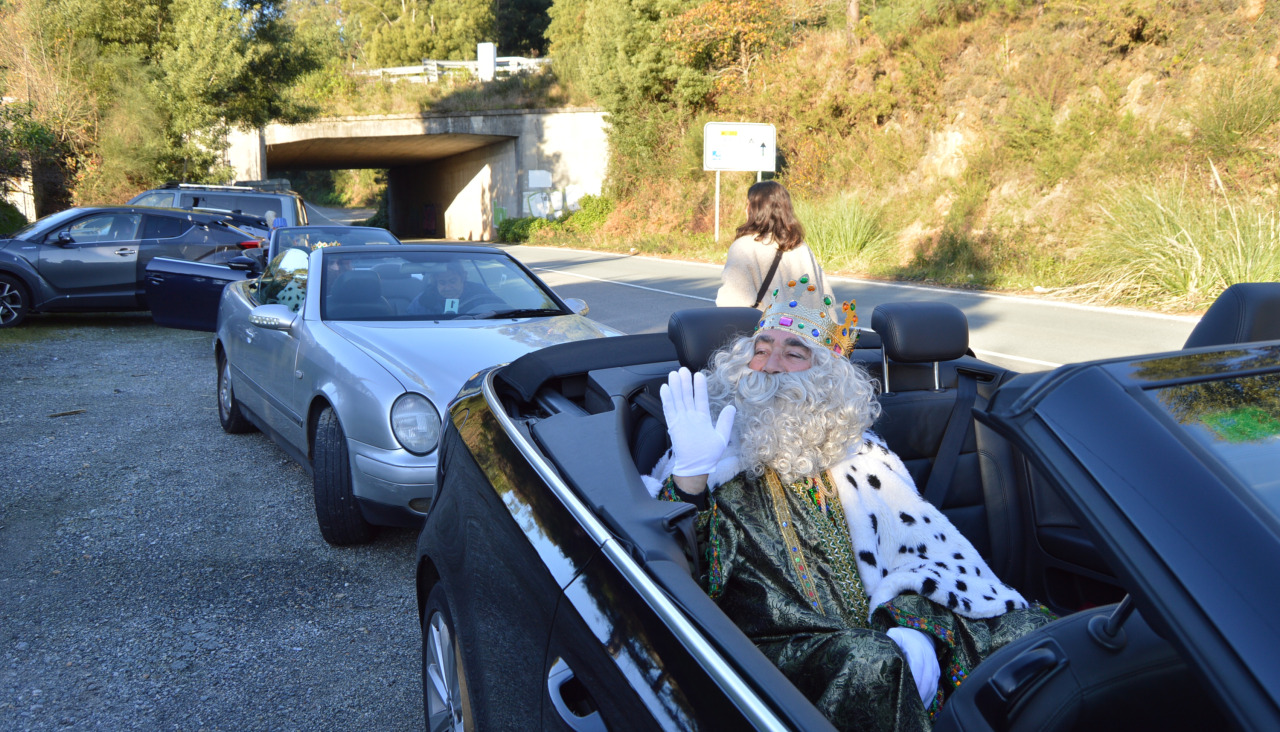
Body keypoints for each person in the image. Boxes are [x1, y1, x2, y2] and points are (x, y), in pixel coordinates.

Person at [644, 278, 1054, 731]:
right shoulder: (704, 453)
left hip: (874, 626)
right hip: (770, 650)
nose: (770, 366)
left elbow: (924, 557)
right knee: (871, 662)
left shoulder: (863, 456)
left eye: (793, 353)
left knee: (1030, 636)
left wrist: (915, 628)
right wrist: (690, 479)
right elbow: (678, 571)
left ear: (826, 376)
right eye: (761, 348)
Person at [715, 181, 832, 311]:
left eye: (748, 204)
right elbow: (825, 297)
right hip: (805, 329)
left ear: (756, 210)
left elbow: (734, 304)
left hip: (769, 329)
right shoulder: (800, 246)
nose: (745, 209)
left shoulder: (744, 247)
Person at [406, 260, 501, 315]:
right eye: (442, 283)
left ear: (463, 277)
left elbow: (498, 311)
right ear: (435, 283)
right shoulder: (424, 300)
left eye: (452, 281)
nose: (447, 288)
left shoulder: (480, 293)